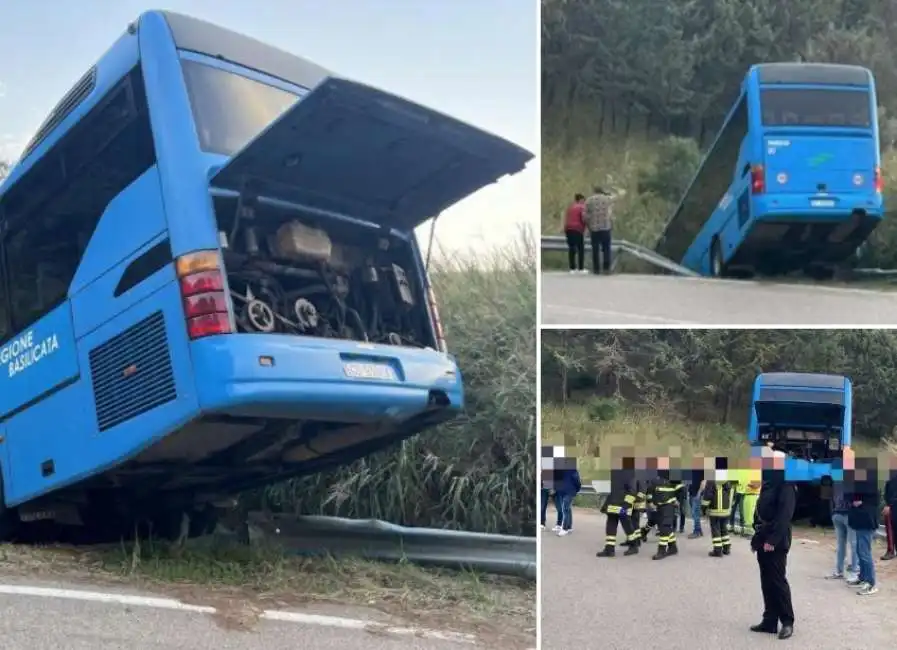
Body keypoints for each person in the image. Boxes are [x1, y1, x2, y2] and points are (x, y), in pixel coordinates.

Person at [750, 449, 795, 640]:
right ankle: (769, 620)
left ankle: (787, 621)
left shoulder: (786, 485)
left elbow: (784, 516)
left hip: (776, 539)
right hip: (763, 535)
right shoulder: (768, 484)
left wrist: (772, 540)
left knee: (777, 581)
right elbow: (761, 509)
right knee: (766, 581)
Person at [847, 458, 880, 595]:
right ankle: (863, 577)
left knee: (864, 552)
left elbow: (868, 503)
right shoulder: (860, 486)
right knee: (860, 551)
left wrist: (860, 503)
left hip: (866, 522)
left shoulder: (871, 488)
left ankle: (871, 583)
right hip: (859, 521)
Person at [596, 457, 640, 557]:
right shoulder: (615, 469)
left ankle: (634, 545)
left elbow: (632, 490)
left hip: (623, 503)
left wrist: (626, 505)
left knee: (626, 523)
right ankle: (609, 549)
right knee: (611, 523)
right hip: (614, 500)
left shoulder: (630, 471)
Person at [826, 476, 859, 580]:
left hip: (842, 513)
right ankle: (851, 570)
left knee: (846, 544)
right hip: (844, 513)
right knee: (850, 544)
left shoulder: (837, 479)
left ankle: (844, 571)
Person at [650, 460, 680, 560]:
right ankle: (673, 547)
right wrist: (650, 502)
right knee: (666, 527)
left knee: (664, 527)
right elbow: (650, 491)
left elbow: (681, 490)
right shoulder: (655, 480)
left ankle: (661, 551)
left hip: (669, 506)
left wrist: (677, 500)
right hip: (659, 507)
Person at [583, 186, 615, 274]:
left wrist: (588, 224)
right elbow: (610, 214)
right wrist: (611, 224)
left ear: (594, 191)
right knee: (606, 248)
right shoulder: (607, 200)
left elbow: (584, 215)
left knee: (595, 249)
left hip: (594, 228)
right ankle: (606, 268)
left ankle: (596, 269)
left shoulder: (589, 200)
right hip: (605, 227)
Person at [702, 474, 734, 557]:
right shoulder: (726, 479)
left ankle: (717, 550)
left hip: (715, 510)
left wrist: (703, 508)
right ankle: (726, 548)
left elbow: (707, 496)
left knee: (715, 530)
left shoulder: (711, 480)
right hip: (725, 510)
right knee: (724, 528)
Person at [561, 193, 586, 273]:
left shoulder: (570, 207)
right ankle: (581, 268)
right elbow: (583, 218)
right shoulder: (582, 207)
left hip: (569, 229)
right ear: (581, 200)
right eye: (583, 200)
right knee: (580, 248)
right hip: (577, 229)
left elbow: (566, 218)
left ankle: (572, 268)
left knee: (572, 248)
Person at [882, 467, 897, 561]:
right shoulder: (891, 477)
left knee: (891, 528)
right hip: (892, 506)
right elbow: (887, 492)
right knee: (890, 528)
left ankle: (891, 551)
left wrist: (889, 504)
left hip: (893, 505)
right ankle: (891, 550)